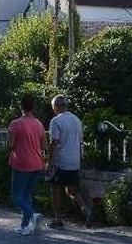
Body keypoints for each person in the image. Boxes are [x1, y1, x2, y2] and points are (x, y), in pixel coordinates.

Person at [47, 95, 91, 228]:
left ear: (55, 107)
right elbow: (81, 142)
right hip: (75, 161)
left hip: (61, 161)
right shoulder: (77, 120)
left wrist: (50, 162)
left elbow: (54, 142)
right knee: (72, 190)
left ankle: (57, 219)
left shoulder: (56, 121)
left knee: (55, 189)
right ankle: (84, 208)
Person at [8, 94, 46, 235]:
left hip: (22, 163)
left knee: (17, 197)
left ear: (21, 106)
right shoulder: (39, 124)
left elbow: (11, 144)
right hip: (37, 164)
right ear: (33, 107)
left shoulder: (16, 124)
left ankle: (32, 215)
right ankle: (24, 226)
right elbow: (43, 145)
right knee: (27, 194)